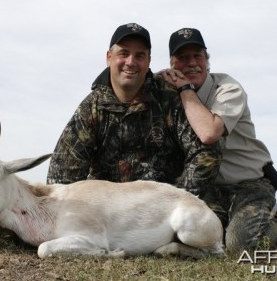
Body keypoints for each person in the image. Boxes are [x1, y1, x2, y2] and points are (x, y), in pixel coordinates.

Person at [47, 23, 221, 201]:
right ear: (109, 57)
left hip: (168, 212)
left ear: (148, 61)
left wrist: (174, 201)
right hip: (109, 214)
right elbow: (62, 180)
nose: (131, 62)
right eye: (124, 53)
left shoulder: (169, 98)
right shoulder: (91, 108)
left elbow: (206, 154)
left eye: (139, 56)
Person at [155, 27, 277, 252]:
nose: (191, 63)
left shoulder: (228, 89)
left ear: (207, 60)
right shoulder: (166, 91)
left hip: (249, 183)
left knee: (241, 245)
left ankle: (269, 218)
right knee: (188, 234)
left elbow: (209, 133)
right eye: (182, 58)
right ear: (172, 64)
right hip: (209, 188)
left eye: (197, 56)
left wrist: (185, 88)